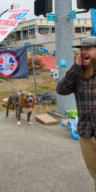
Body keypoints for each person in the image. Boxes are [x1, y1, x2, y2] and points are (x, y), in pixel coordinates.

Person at [56, 37, 96, 189]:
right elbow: (61, 89)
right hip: (87, 134)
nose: (83, 52)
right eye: (81, 49)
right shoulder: (78, 75)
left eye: (88, 48)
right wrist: (76, 67)